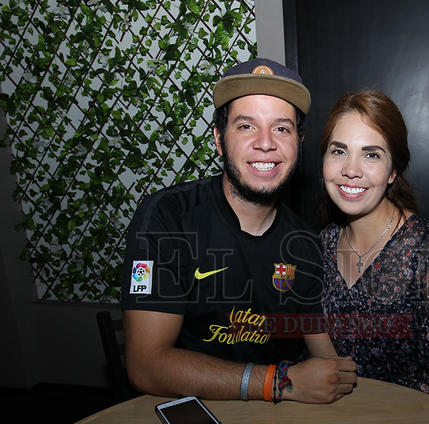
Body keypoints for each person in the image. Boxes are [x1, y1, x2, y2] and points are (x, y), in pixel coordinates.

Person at [120, 58, 358, 404]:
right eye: (246, 126)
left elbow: (321, 351)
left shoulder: (305, 242)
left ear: (299, 141)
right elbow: (145, 365)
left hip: (276, 423)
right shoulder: (168, 218)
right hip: (191, 418)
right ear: (219, 139)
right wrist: (277, 382)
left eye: (282, 129)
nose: (265, 143)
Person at [318, 89, 429, 419]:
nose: (351, 170)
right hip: (348, 417)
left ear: (393, 171)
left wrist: (369, 419)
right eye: (339, 151)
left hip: (422, 421)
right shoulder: (324, 243)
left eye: (371, 155)